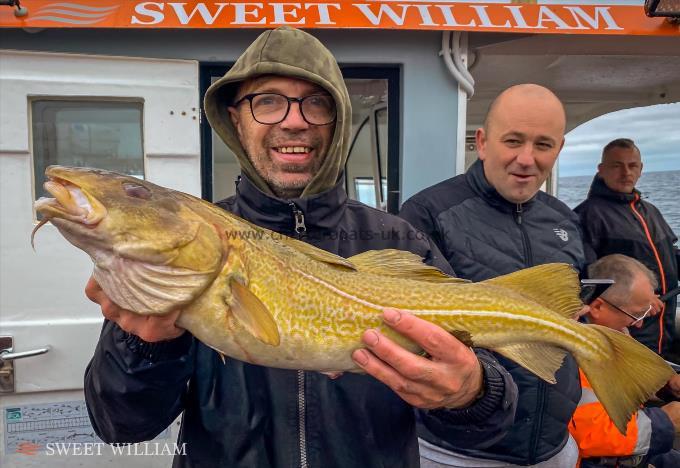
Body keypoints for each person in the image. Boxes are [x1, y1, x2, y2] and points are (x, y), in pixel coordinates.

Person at [83, 27, 517, 467]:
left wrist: (471, 391)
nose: (294, 120)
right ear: (236, 119)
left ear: (339, 120)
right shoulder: (197, 241)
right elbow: (120, 426)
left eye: (316, 103)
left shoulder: (399, 241)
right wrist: (145, 346)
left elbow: (484, 424)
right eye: (267, 101)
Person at [400, 84, 585, 467]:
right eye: (513, 141)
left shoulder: (565, 218)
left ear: (560, 150)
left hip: (555, 446)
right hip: (454, 451)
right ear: (482, 142)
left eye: (543, 145)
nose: (526, 159)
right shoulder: (427, 212)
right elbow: (412, 328)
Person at [570, 253, 680, 468]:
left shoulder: (614, 336)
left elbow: (625, 384)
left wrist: (667, 386)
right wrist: (667, 421)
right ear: (598, 307)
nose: (638, 325)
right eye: (636, 314)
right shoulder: (574, 357)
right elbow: (591, 437)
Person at [574, 138, 679, 359]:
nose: (626, 172)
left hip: (663, 330)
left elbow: (669, 256)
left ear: (641, 169)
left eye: (632, 166)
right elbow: (587, 281)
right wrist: (641, 300)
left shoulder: (650, 211)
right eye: (616, 165)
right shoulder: (588, 215)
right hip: (629, 334)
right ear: (601, 170)